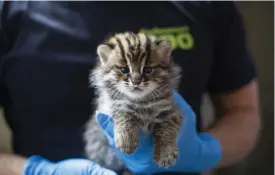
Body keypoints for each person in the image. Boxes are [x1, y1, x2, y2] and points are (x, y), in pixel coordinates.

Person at [0, 1, 261, 175]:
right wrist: (36, 171)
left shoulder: (207, 5)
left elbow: (243, 112)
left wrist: (204, 151)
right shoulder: (10, 10)